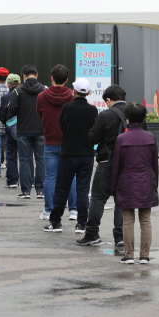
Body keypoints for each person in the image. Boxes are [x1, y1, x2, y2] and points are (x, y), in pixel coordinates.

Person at [43, 78, 98, 234]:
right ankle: (82, 224)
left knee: (62, 188)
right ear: (87, 93)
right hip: (87, 154)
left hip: (68, 153)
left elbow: (61, 125)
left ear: (73, 91)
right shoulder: (93, 110)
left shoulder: (66, 108)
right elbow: (95, 130)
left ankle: (56, 222)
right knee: (83, 189)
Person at [77, 85, 128, 246]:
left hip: (107, 162)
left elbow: (92, 138)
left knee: (98, 199)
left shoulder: (105, 115)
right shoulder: (135, 113)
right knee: (121, 201)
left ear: (108, 99)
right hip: (128, 164)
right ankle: (120, 237)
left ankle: (92, 233)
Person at [110, 102, 159, 264]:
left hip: (126, 183)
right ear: (144, 117)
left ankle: (129, 255)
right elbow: (155, 166)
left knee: (128, 221)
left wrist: (113, 187)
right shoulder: (150, 138)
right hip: (146, 183)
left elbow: (116, 166)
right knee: (145, 220)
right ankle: (144, 255)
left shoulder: (121, 139)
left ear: (127, 118)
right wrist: (154, 185)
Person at [36, 64, 78, 221]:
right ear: (67, 80)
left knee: (51, 177)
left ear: (51, 78)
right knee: (72, 176)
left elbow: (40, 114)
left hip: (50, 141)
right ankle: (73, 210)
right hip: (69, 142)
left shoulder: (41, 96)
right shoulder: (72, 96)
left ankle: (49, 210)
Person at [6, 64, 46, 199]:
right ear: (37, 75)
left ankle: (25, 191)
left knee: (24, 160)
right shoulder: (44, 90)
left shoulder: (18, 91)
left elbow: (11, 110)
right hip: (41, 130)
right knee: (40, 160)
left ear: (23, 76)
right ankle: (40, 190)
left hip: (23, 131)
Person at [0, 74, 33, 188]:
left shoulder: (5, 97)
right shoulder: (24, 95)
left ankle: (12, 180)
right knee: (27, 154)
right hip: (25, 128)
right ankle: (31, 179)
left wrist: (8, 124)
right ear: (19, 83)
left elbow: (2, 115)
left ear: (8, 84)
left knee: (11, 154)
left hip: (11, 130)